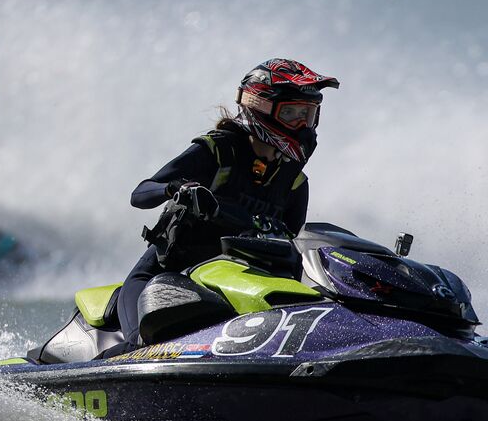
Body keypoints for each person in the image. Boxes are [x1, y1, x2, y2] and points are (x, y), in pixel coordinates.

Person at [118, 58, 339, 344]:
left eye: (309, 115)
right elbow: (141, 194)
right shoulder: (218, 151)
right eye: (292, 113)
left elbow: (291, 251)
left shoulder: (295, 184)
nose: (303, 126)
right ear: (260, 106)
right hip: (162, 277)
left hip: (230, 285)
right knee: (141, 344)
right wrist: (179, 188)